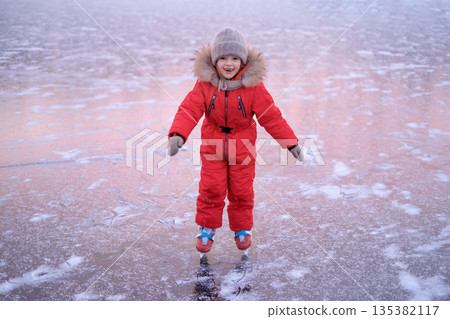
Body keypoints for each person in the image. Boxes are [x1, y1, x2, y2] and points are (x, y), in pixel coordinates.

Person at [167, 27, 301, 256]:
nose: (228, 64)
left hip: (243, 148)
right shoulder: (205, 85)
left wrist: (290, 143)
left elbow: (271, 116)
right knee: (211, 188)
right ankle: (207, 227)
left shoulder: (254, 87)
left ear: (243, 61)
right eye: (223, 58)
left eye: (234, 58)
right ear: (214, 61)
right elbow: (189, 109)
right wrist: (178, 134)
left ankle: (242, 228)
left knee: (242, 190)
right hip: (213, 147)